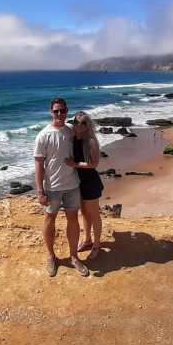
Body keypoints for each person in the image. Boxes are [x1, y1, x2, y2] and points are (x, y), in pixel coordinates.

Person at [34, 98, 89, 277]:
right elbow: (38, 164)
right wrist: (40, 191)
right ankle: (51, 256)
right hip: (52, 187)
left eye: (63, 111)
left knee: (73, 220)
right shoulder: (43, 135)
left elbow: (87, 138)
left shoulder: (71, 131)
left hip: (72, 185)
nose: (60, 114)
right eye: (56, 111)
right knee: (50, 220)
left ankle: (74, 257)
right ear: (51, 112)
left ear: (67, 112)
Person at [64, 111, 104, 261]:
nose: (79, 125)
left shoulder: (91, 141)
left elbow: (94, 164)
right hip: (77, 182)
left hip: (90, 182)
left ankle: (97, 245)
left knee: (94, 215)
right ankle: (87, 240)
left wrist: (75, 164)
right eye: (76, 122)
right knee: (85, 213)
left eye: (83, 123)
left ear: (88, 125)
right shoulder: (73, 138)